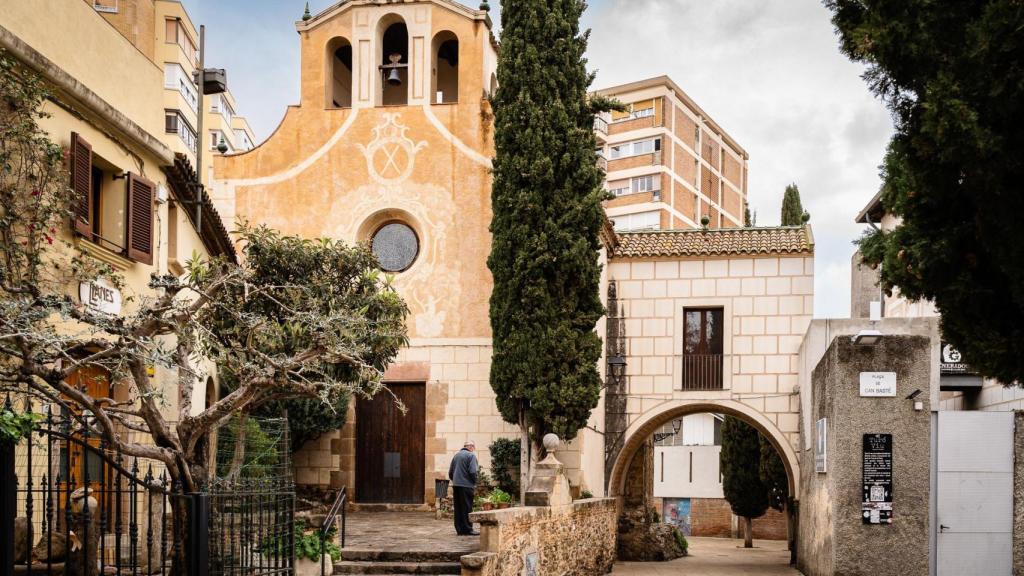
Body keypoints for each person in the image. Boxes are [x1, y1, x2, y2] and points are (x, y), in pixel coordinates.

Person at [448, 439, 479, 536]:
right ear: (470, 447)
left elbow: (450, 472)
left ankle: (459, 529)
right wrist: (474, 482)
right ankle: (468, 529)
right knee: (467, 507)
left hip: (456, 485)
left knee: (458, 508)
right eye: (473, 447)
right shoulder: (471, 456)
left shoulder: (456, 456)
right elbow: (473, 472)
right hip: (466, 486)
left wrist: (456, 480)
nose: (473, 449)